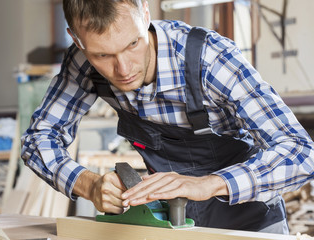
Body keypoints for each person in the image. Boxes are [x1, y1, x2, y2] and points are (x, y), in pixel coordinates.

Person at [21, 0, 314, 234]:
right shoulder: (82, 61)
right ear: (76, 38)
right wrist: (88, 183)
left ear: (145, 12)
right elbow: (38, 140)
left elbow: (300, 152)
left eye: (132, 44)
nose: (123, 69)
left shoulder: (210, 58)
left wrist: (208, 184)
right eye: (102, 56)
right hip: (172, 228)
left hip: (250, 225)